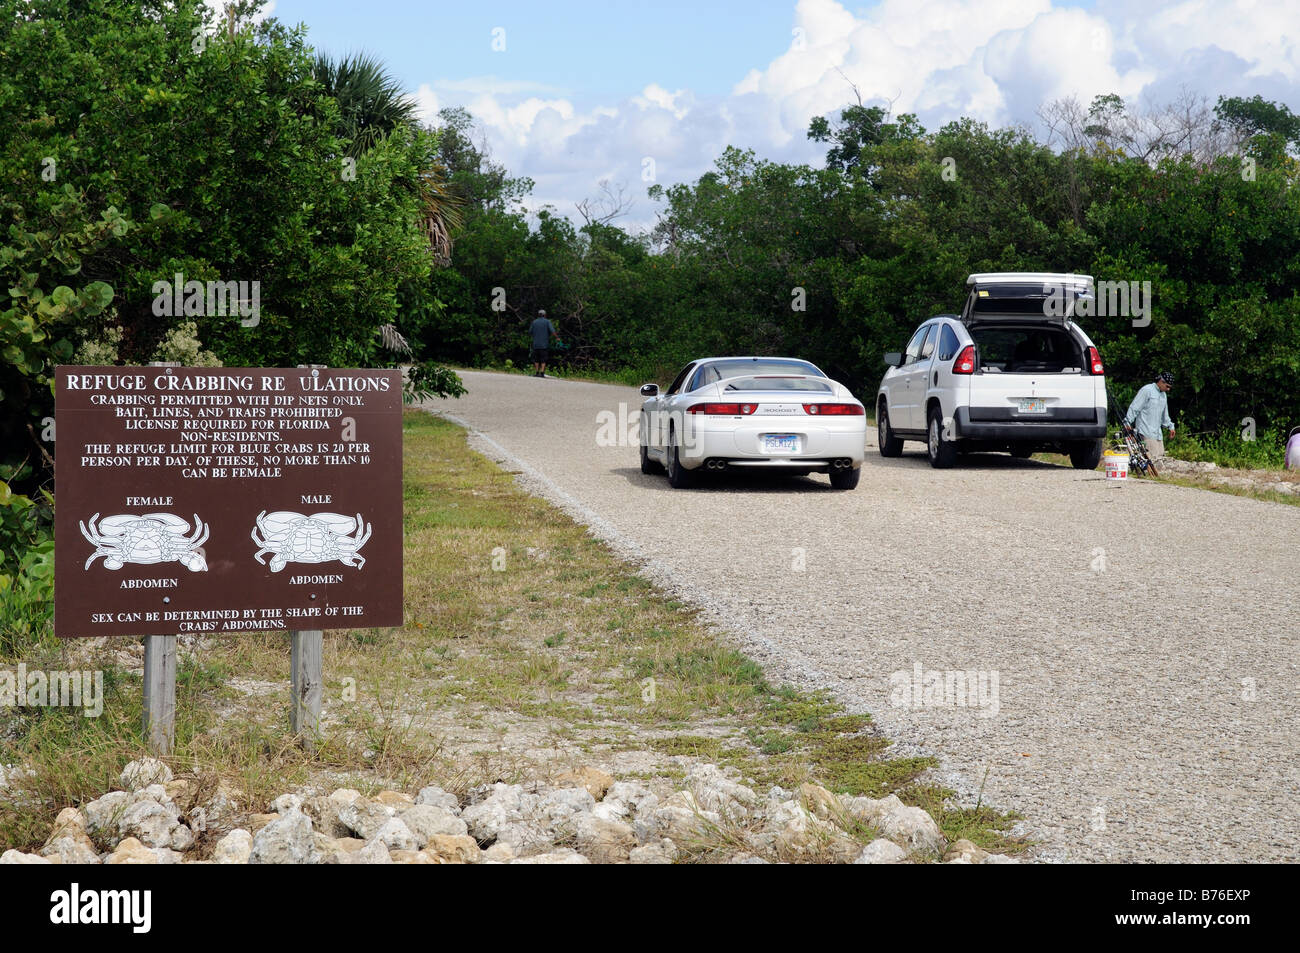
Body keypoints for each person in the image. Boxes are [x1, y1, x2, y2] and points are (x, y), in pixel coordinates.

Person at [1124, 371, 1176, 463]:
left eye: (1170, 387)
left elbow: (1165, 415)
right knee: (1151, 461)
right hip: (1146, 432)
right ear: (1161, 381)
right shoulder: (1147, 390)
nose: (1168, 389)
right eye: (1167, 386)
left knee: (1160, 460)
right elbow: (1134, 407)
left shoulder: (1163, 395)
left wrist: (1170, 427)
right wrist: (1127, 423)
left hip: (1158, 435)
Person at [529, 309, 557, 377]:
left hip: (535, 344)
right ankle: (542, 373)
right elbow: (552, 331)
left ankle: (536, 372)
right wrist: (557, 337)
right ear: (545, 315)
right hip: (544, 345)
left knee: (536, 359)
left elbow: (530, 332)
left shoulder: (534, 322)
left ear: (538, 315)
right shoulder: (547, 322)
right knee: (543, 359)